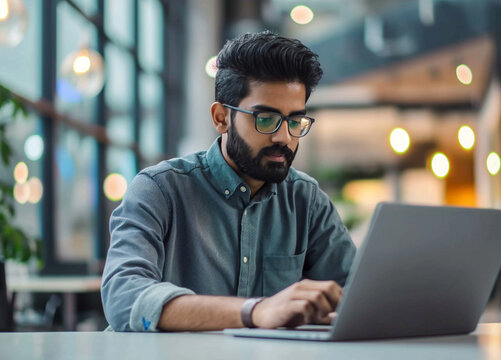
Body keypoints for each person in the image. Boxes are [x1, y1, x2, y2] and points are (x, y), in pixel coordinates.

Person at [101, 31, 356, 332]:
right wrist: (255, 312)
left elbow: (359, 297)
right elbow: (123, 297)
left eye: (295, 121)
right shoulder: (160, 190)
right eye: (265, 119)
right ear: (221, 118)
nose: (284, 137)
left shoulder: (307, 202)